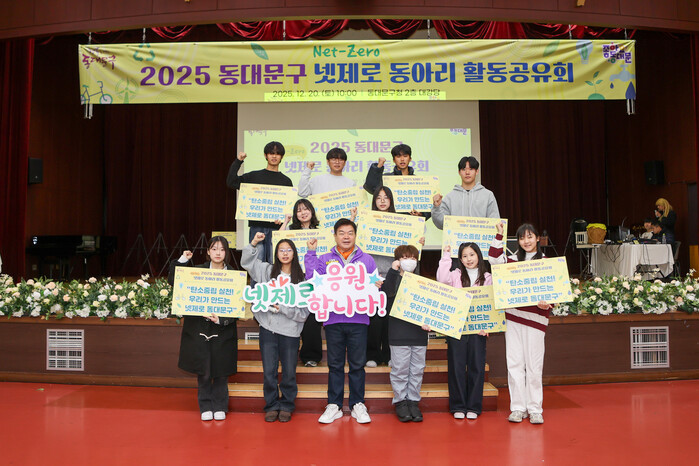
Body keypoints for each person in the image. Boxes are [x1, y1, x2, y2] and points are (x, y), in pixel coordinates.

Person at [304, 218, 377, 424]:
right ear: (335, 236)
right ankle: (334, 405)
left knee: (357, 365)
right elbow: (311, 280)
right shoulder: (325, 259)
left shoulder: (367, 260)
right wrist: (311, 253)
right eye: (342, 233)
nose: (346, 237)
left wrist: (376, 285)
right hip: (333, 319)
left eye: (350, 233)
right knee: (335, 365)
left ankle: (357, 404)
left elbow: (374, 286)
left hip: (359, 320)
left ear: (355, 235)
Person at [167, 236, 238, 422]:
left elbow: (237, 306)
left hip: (222, 329)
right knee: (203, 370)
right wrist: (183, 260)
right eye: (214, 249)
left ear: (226, 253)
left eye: (222, 249)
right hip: (199, 327)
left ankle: (220, 405)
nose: (218, 253)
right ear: (208, 251)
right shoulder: (197, 271)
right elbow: (174, 280)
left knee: (221, 370)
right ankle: (205, 405)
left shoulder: (234, 275)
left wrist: (222, 319)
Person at [241, 233, 310, 423]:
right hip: (268, 329)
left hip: (291, 332)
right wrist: (254, 243)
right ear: (276, 253)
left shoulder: (301, 279)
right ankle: (271, 405)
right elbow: (247, 263)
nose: (285, 253)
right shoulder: (267, 271)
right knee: (269, 371)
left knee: (289, 372)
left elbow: (304, 314)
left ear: (294, 253)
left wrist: (283, 309)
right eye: (281, 250)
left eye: (289, 250)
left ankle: (287, 405)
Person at [488, 222, 552, 425]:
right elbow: (493, 260)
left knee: (534, 366)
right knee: (514, 363)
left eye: (530, 236)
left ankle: (535, 409)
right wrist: (499, 235)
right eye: (522, 237)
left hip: (536, 320)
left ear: (537, 239)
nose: (526, 241)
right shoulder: (512, 260)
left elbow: (553, 291)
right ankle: (517, 408)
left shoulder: (546, 262)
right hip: (513, 318)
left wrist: (548, 302)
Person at [436, 242, 492, 420]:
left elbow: (490, 304)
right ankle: (458, 406)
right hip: (456, 328)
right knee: (456, 367)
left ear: (479, 256)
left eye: (472, 255)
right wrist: (446, 256)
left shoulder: (488, 277)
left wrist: (487, 326)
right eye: (465, 256)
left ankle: (474, 406)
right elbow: (441, 280)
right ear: (460, 259)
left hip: (478, 329)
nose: (469, 259)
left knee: (477, 367)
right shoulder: (455, 275)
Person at [382, 244, 428, 422]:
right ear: (397, 260)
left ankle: (413, 401)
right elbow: (387, 294)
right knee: (400, 369)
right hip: (398, 333)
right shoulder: (391, 279)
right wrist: (393, 271)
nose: (409, 261)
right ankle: (401, 401)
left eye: (413, 258)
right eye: (405, 257)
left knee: (417, 370)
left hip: (419, 334)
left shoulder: (423, 282)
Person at [226, 141, 293, 263]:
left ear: (282, 157)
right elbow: (231, 182)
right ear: (265, 155)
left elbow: (288, 207)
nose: (274, 156)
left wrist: (283, 220)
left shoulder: (286, 181)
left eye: (277, 153)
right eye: (271, 153)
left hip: (276, 229)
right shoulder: (253, 176)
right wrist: (238, 161)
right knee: (256, 263)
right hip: (257, 228)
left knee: (275, 264)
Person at [278, 198, 324, 368]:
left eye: (306, 209)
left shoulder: (321, 232)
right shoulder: (291, 231)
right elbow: (277, 241)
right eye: (299, 210)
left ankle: (311, 356)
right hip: (293, 277)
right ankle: (288, 354)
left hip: (313, 279)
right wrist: (285, 222)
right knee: (292, 313)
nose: (303, 213)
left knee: (311, 318)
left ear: (312, 211)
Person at [363, 143, 430, 220]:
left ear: (410, 159)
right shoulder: (387, 179)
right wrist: (378, 167)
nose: (402, 159)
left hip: (411, 222)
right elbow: (370, 188)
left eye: (405, 156)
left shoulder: (418, 181)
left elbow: (428, 204)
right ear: (394, 160)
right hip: (391, 221)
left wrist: (421, 214)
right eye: (398, 156)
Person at [431, 156, 500, 230]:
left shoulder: (487, 195)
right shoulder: (450, 197)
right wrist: (436, 207)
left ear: (477, 171)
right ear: (459, 172)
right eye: (464, 169)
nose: (467, 172)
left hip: (480, 237)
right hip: (456, 237)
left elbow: (495, 222)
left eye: (471, 169)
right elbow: (441, 224)